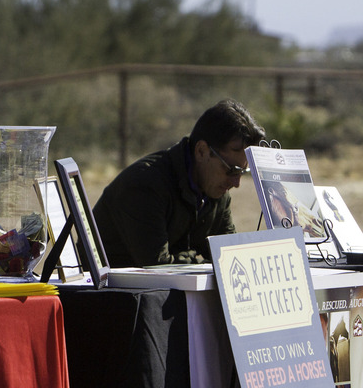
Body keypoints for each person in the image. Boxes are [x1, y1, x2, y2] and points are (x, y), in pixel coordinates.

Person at [91, 99, 266, 267]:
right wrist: (196, 258)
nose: (236, 183)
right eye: (231, 169)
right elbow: (157, 267)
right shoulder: (145, 185)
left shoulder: (216, 189)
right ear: (201, 151)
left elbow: (229, 255)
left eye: (242, 172)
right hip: (106, 293)